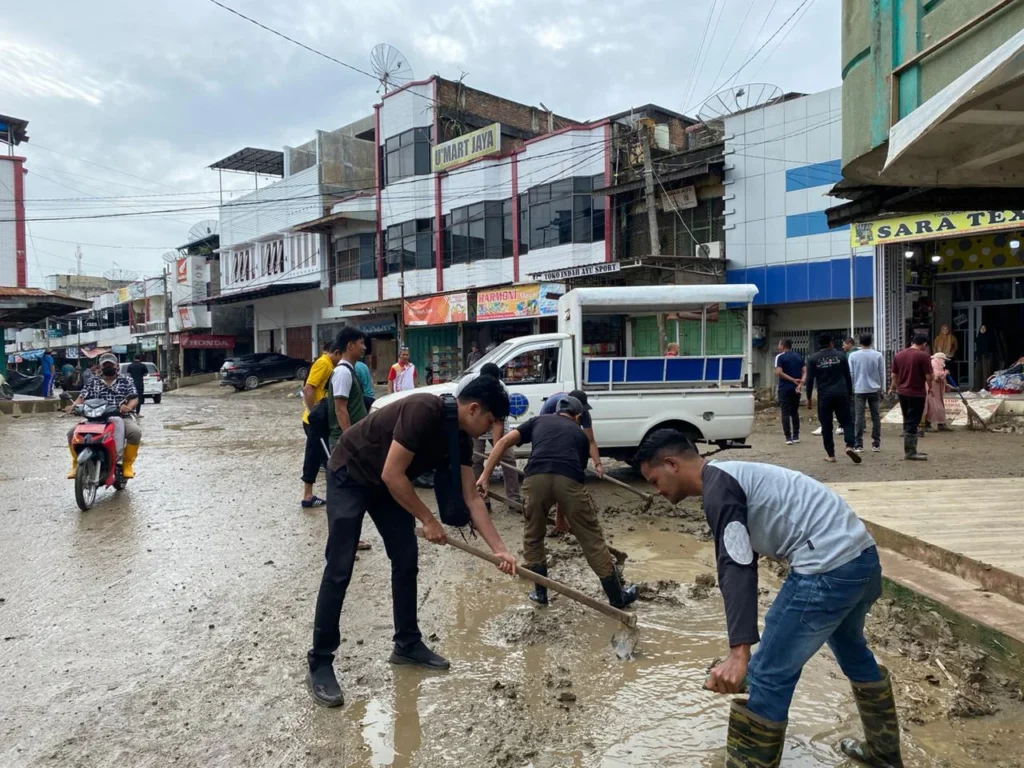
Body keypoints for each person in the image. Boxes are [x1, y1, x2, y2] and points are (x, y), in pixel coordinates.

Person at [635, 430, 899, 767]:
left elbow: (737, 566)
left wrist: (738, 655)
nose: (656, 490)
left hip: (827, 568)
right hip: (861, 560)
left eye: (654, 479)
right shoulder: (731, 474)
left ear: (671, 464)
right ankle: (884, 755)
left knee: (772, 675)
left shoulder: (718, 489)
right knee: (851, 650)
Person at [306, 376, 517, 708]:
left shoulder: (459, 437)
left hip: (387, 485)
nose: (490, 432)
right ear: (474, 409)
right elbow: (393, 473)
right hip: (352, 472)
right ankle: (320, 660)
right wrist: (428, 519)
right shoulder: (424, 410)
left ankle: (406, 644)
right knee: (340, 566)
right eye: (490, 422)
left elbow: (471, 498)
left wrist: (499, 549)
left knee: (405, 560)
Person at [479, 396, 639, 609]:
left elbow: (503, 442)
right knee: (592, 540)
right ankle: (617, 598)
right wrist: (560, 517)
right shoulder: (581, 436)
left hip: (535, 478)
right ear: (578, 416)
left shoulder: (537, 421)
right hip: (568, 482)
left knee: (533, 536)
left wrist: (485, 476)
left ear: (556, 411)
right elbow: (572, 475)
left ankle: (540, 594)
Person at [65, 353, 141, 479]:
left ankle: (127, 465)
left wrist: (128, 407)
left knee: (135, 432)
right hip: (94, 418)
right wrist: (72, 407)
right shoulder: (92, 381)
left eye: (110, 365)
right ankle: (75, 464)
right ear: (100, 367)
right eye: (105, 365)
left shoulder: (126, 380)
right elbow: (82, 397)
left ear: (116, 366)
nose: (108, 367)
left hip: (120, 416)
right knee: (71, 433)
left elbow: (134, 398)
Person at [539, 389, 604, 533]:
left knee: (566, 474)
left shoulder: (583, 412)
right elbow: (542, 433)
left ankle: (560, 515)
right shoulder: (551, 407)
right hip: (549, 433)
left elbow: (590, 440)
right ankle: (544, 513)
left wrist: (598, 463)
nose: (580, 416)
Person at [467, 363, 520, 511]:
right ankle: (481, 499)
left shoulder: (501, 390)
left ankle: (514, 499)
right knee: (475, 460)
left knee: (508, 458)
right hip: (476, 426)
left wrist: (497, 450)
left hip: (497, 425)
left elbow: (498, 422)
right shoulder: (471, 386)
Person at [805, 334, 860, 464]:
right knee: (847, 422)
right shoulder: (841, 356)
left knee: (826, 425)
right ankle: (849, 446)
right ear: (831, 342)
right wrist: (850, 393)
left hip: (824, 396)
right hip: (841, 394)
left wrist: (808, 398)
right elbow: (847, 376)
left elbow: (809, 380)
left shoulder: (813, 359)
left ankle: (831, 455)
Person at [300, 341, 343, 509]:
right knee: (315, 456)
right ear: (337, 352)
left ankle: (335, 494)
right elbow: (308, 389)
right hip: (315, 421)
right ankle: (307, 496)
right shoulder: (323, 363)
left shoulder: (329, 365)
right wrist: (313, 414)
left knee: (326, 458)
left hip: (321, 420)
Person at [890, 333, 933, 461]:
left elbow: (893, 375)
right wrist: (930, 387)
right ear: (924, 344)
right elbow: (929, 376)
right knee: (913, 421)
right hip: (917, 393)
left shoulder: (899, 355)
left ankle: (911, 449)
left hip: (902, 392)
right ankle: (910, 451)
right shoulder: (923, 356)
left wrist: (896, 387)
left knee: (907, 418)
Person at [327, 327, 368, 448]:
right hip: (345, 442)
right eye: (361, 343)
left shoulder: (349, 370)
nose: (364, 348)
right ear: (350, 346)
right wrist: (350, 441)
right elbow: (340, 409)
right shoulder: (343, 372)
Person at [848, 333, 886, 453]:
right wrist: (881, 388)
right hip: (874, 389)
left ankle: (858, 444)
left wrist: (851, 388)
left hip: (859, 389)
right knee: (876, 416)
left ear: (859, 341)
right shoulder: (878, 355)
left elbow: (851, 374)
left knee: (859, 416)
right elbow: (881, 373)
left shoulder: (853, 356)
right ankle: (876, 443)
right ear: (871, 341)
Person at [774, 339, 804, 446]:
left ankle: (788, 437)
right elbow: (805, 371)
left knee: (785, 412)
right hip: (796, 388)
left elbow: (778, 372)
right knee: (794, 411)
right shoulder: (799, 356)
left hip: (784, 388)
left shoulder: (780, 357)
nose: (778, 347)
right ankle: (796, 436)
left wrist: (791, 379)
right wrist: (800, 383)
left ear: (783, 346)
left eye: (779, 344)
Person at [924, 352, 950, 432]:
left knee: (932, 405)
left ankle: (938, 424)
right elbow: (936, 377)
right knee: (935, 405)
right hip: (933, 388)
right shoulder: (936, 364)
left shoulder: (931, 363)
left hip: (932, 388)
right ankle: (938, 424)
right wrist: (945, 373)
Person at [975, 324, 993, 391]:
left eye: (984, 328)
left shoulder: (989, 338)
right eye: (981, 328)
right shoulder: (978, 337)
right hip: (979, 356)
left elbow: (991, 348)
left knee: (986, 372)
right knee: (978, 372)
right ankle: (977, 388)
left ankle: (985, 388)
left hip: (987, 356)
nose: (982, 329)